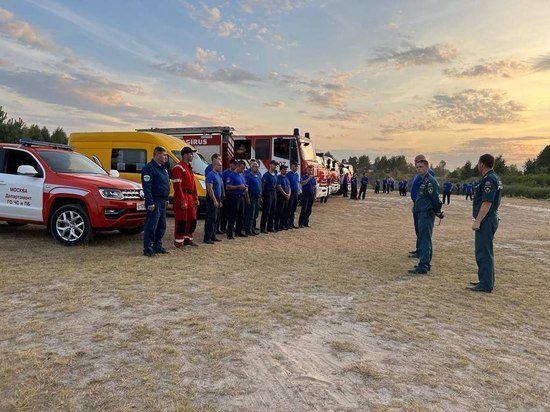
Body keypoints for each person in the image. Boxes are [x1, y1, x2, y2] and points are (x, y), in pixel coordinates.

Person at [468, 154, 502, 293]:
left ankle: (486, 284)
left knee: (483, 252)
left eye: (478, 163)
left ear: (482, 164)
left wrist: (477, 221)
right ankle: (485, 280)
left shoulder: (489, 180)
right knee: (485, 251)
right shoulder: (493, 178)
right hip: (489, 219)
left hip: (486, 220)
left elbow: (487, 202)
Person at [409, 155, 443, 274]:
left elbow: (435, 198)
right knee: (424, 239)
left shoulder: (430, 181)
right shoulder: (423, 180)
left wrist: (437, 211)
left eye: (421, 167)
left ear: (427, 167)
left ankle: (423, 265)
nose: (419, 169)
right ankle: (425, 263)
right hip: (421, 212)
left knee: (424, 239)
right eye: (417, 167)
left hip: (426, 213)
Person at [141, 146, 170, 256]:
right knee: (151, 225)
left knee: (161, 225)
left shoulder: (163, 169)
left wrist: (167, 199)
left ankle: (157, 246)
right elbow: (147, 187)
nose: (166, 157)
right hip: (155, 201)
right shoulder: (149, 168)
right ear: (157, 155)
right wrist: (150, 202)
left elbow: (166, 184)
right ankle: (148, 249)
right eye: (164, 155)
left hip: (162, 200)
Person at [408, 155, 436, 259]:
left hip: (424, 206)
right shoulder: (419, 174)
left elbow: (431, 192)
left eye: (418, 162)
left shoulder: (429, 174)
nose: (416, 164)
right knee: (418, 229)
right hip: (417, 204)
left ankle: (424, 255)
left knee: (424, 232)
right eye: (415, 163)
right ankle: (419, 250)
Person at [172, 146, 199, 247]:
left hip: (190, 196)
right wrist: (182, 200)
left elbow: (193, 184)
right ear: (185, 155)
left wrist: (195, 197)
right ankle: (179, 241)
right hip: (182, 195)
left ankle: (188, 238)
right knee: (181, 219)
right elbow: (177, 186)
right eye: (191, 153)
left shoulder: (189, 168)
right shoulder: (178, 168)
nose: (192, 155)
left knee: (192, 219)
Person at [225, 160, 248, 239]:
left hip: (241, 196)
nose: (243, 170)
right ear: (238, 166)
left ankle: (238, 231)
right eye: (242, 168)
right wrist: (238, 187)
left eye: (244, 169)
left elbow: (244, 184)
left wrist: (245, 187)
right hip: (234, 197)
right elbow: (228, 187)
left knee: (241, 215)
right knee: (233, 215)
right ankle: (230, 233)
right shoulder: (231, 175)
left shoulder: (241, 175)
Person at [203, 159, 223, 244]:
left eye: (221, 165)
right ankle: (207, 238)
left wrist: (219, 200)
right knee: (211, 218)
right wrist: (214, 200)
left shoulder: (218, 175)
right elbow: (210, 189)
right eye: (219, 165)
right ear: (214, 165)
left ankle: (213, 235)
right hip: (211, 199)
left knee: (216, 218)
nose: (220, 167)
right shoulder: (210, 175)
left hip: (217, 198)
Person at [244, 160, 262, 235]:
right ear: (251, 167)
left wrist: (260, 197)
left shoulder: (258, 175)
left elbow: (260, 186)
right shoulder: (248, 176)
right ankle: (248, 230)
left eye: (257, 167)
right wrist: (247, 198)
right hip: (251, 197)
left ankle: (253, 228)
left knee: (255, 214)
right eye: (255, 167)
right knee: (250, 214)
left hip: (257, 197)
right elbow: (246, 188)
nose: (257, 168)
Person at [219, 159, 237, 233]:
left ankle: (231, 226)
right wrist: (223, 194)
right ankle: (223, 227)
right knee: (225, 213)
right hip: (227, 195)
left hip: (233, 195)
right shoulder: (225, 173)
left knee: (232, 212)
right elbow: (222, 184)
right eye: (234, 164)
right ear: (231, 164)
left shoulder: (235, 173)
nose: (235, 166)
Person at [260, 160, 278, 233]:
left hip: (274, 193)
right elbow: (263, 185)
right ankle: (263, 228)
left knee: (273, 211)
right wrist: (262, 195)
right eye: (274, 165)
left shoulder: (275, 175)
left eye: (276, 165)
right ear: (270, 165)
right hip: (268, 193)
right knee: (266, 211)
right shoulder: (266, 175)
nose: (275, 166)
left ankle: (270, 227)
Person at [274, 164, 291, 230]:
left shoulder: (286, 178)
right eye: (284, 169)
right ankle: (276, 226)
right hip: (281, 197)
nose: (285, 171)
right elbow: (279, 187)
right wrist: (285, 194)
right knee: (279, 212)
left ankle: (282, 225)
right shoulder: (278, 177)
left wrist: (289, 194)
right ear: (280, 170)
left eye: (286, 169)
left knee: (285, 212)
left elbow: (289, 186)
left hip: (286, 197)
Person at [286, 162, 300, 228]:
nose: (296, 167)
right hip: (291, 193)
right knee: (289, 208)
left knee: (294, 209)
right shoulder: (288, 174)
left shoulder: (297, 174)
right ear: (291, 166)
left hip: (296, 193)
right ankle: (287, 223)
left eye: (297, 166)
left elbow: (297, 183)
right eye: (295, 166)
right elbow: (288, 185)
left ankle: (291, 223)